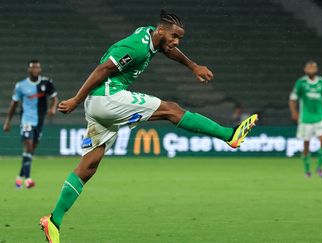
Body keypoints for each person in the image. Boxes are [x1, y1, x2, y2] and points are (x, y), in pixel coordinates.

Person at [40, 10, 258, 242]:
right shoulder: (137, 47)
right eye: (174, 36)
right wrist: (76, 99)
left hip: (99, 106)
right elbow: (102, 69)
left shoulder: (150, 36)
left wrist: (193, 66)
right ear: (162, 30)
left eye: (179, 38)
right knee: (171, 110)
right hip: (107, 98)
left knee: (88, 167)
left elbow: (168, 50)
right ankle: (230, 135)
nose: (176, 42)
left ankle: (53, 221)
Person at [3, 60, 58, 189]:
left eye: (37, 67)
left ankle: (19, 178)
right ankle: (28, 179)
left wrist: (53, 108)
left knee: (31, 150)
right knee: (28, 147)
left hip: (39, 121)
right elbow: (14, 105)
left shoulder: (46, 83)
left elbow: (54, 98)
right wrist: (8, 121)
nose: (35, 70)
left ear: (40, 69)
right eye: (33, 68)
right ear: (29, 70)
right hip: (26, 120)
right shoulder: (21, 86)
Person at [289, 60, 322, 178]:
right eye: (309, 68)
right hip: (305, 119)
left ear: (316, 70)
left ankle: (320, 168)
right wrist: (294, 113)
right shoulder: (301, 83)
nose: (311, 69)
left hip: (320, 117)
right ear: (305, 70)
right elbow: (292, 99)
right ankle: (307, 170)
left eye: (313, 67)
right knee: (306, 144)